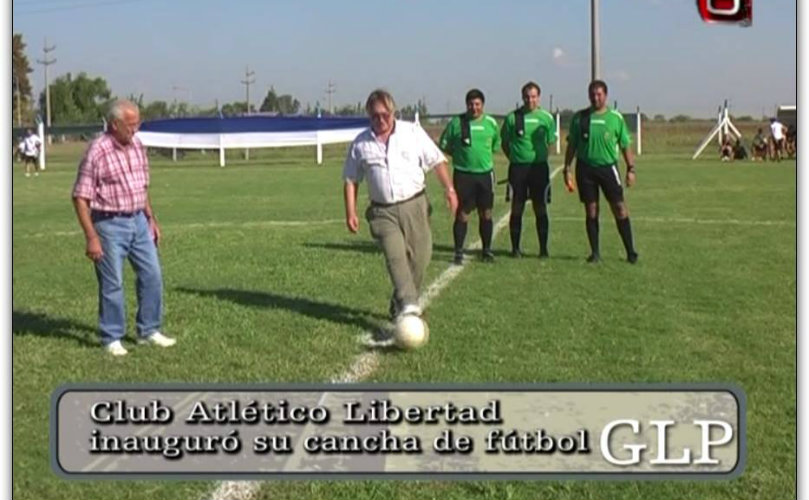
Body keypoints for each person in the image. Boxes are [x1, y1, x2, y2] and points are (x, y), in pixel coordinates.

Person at [72, 99, 176, 356]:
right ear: (114, 124)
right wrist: (91, 237)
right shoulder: (97, 151)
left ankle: (149, 330)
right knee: (113, 283)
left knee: (152, 275)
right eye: (130, 124)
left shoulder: (138, 145)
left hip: (139, 221)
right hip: (108, 224)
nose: (135, 129)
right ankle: (112, 337)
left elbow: (141, 187)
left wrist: (151, 218)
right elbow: (80, 197)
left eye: (137, 123)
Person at [343, 89, 458, 319]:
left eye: (385, 114)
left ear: (393, 112)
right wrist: (351, 212)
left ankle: (399, 301)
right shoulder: (361, 143)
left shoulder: (412, 132)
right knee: (395, 256)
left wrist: (449, 189)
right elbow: (350, 179)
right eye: (375, 116)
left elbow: (437, 160)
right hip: (382, 212)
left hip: (415, 205)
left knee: (420, 258)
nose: (380, 120)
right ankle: (409, 305)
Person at [563, 80, 638, 264]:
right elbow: (572, 145)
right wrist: (567, 168)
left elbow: (625, 145)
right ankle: (595, 253)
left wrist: (631, 169)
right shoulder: (580, 118)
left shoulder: (615, 118)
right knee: (591, 210)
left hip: (608, 168)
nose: (595, 98)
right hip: (585, 169)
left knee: (619, 208)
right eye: (592, 94)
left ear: (606, 95)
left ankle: (630, 251)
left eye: (599, 94)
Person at [438, 89, 500, 264]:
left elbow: (495, 145)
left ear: (483, 105)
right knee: (462, 214)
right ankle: (458, 251)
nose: (474, 108)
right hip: (463, 175)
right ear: (466, 105)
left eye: (477, 104)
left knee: (486, 213)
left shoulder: (491, 123)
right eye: (471, 104)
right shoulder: (456, 123)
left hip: (485, 175)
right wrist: (459, 156)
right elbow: (444, 144)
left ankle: (487, 250)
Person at [500, 82, 557, 258]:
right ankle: (515, 249)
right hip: (518, 169)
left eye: (533, 96)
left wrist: (542, 157)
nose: (530, 100)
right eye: (527, 96)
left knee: (540, 207)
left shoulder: (546, 118)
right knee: (517, 207)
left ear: (538, 97)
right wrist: (515, 158)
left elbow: (551, 142)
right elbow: (504, 143)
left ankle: (543, 250)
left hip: (539, 168)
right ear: (522, 97)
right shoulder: (512, 118)